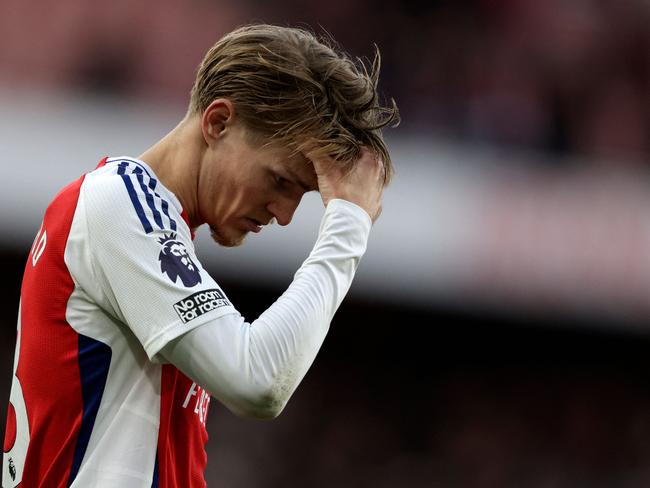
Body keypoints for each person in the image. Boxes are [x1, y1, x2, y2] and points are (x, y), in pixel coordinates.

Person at [2, 24, 398, 487]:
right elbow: (257, 382)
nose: (286, 215)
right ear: (218, 122)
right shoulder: (118, 206)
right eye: (281, 181)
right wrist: (347, 225)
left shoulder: (152, 228)